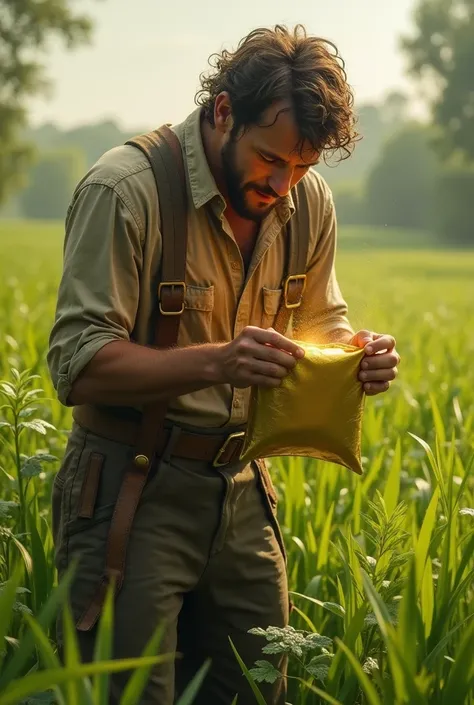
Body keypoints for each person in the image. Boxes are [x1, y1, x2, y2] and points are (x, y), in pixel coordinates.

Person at [48, 24, 400, 705]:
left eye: (301, 167)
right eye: (271, 159)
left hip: (243, 492)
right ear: (221, 113)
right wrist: (217, 361)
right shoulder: (125, 190)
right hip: (131, 483)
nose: (283, 182)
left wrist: (356, 355)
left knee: (257, 690)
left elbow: (319, 323)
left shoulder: (306, 199)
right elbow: (78, 365)